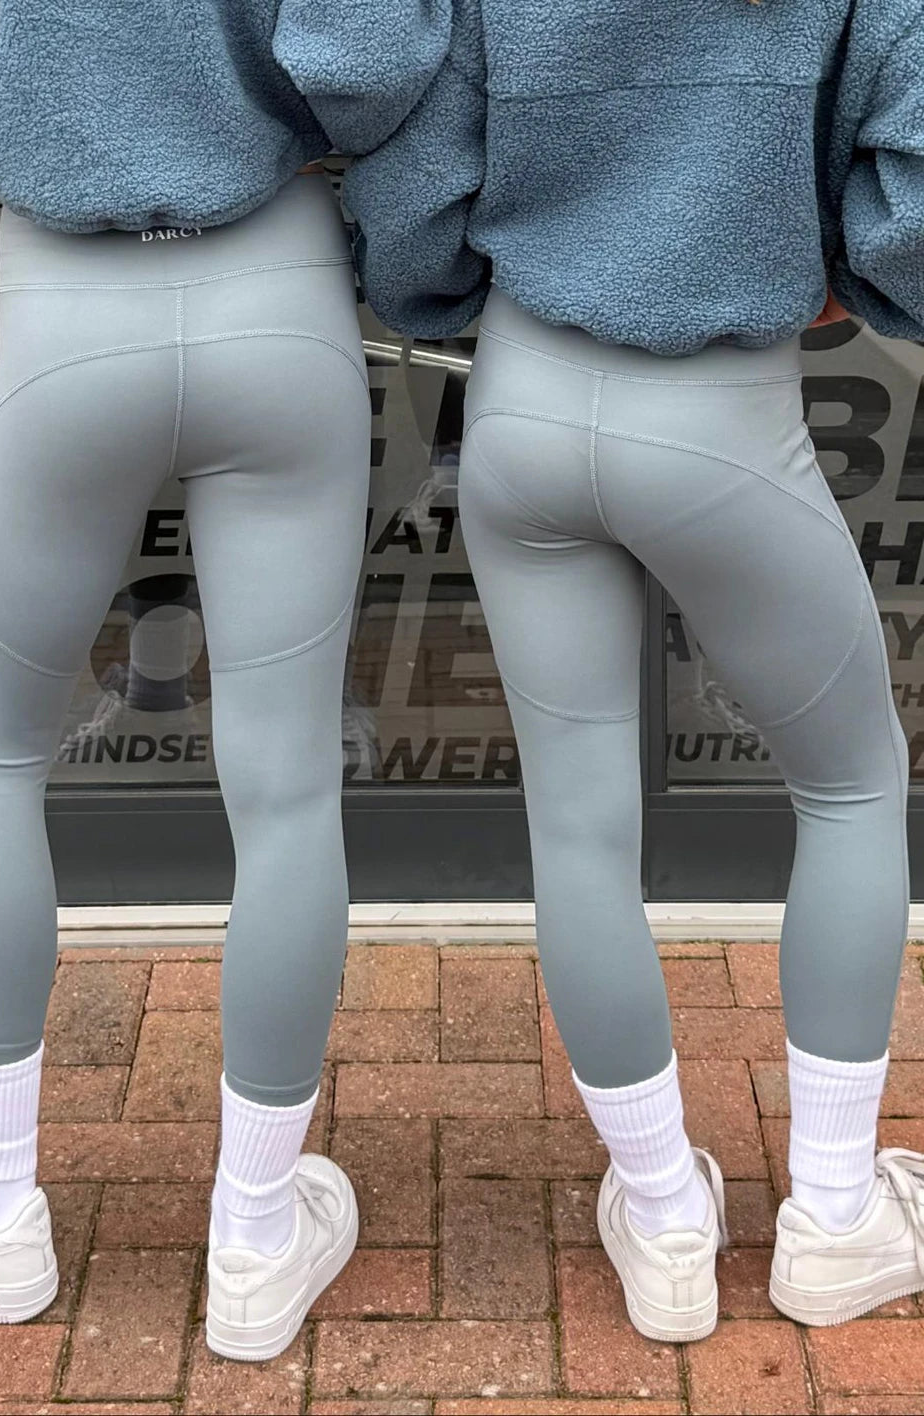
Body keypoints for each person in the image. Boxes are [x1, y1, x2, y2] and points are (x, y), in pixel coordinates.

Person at [300, 0, 924, 1340]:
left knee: (579, 833)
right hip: (722, 419)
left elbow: (417, 177)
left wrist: (444, 290)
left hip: (525, 406)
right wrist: (843, 272)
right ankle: (833, 1217)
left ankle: (663, 1216)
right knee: (853, 790)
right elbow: (914, 192)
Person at [0, 0, 448, 1361]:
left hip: (67, 313)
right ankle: (256, 1232)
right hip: (279, 289)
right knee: (286, 792)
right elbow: (379, 55)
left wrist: (40, 86)